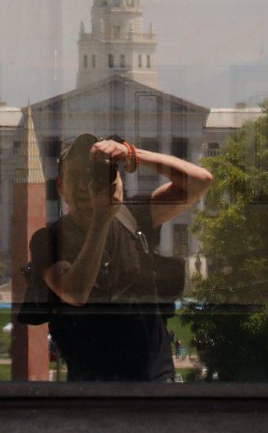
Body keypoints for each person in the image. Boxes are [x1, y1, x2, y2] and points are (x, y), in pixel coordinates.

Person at [19, 133, 211, 382]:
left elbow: (199, 182)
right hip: (94, 387)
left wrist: (133, 154)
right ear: (60, 186)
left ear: (115, 179)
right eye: (76, 176)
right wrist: (103, 217)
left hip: (155, 381)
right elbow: (75, 292)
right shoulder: (49, 240)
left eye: (92, 175)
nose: (84, 185)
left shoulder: (134, 216)